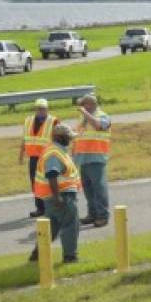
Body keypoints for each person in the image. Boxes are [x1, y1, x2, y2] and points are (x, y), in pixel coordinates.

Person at [29, 123, 81, 264]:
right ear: (62, 138)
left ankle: (37, 254)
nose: (71, 140)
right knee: (70, 225)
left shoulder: (56, 150)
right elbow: (52, 174)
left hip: (52, 196)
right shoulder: (54, 153)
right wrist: (57, 197)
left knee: (51, 227)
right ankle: (70, 257)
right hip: (61, 196)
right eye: (69, 137)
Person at [74, 93, 111, 227]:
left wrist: (85, 114)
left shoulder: (102, 116)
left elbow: (99, 126)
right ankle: (93, 213)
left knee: (99, 189)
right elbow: (77, 138)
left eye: (84, 104)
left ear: (91, 104)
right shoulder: (82, 119)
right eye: (82, 105)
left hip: (96, 158)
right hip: (83, 159)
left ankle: (103, 216)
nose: (82, 107)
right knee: (88, 190)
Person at [18, 98, 58, 218]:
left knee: (48, 182)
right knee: (35, 183)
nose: (41, 111)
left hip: (48, 158)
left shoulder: (54, 121)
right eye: (38, 109)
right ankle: (40, 207)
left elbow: (58, 140)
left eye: (43, 109)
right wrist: (21, 153)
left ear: (47, 109)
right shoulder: (28, 120)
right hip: (34, 158)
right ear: (35, 109)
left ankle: (50, 207)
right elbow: (25, 138)